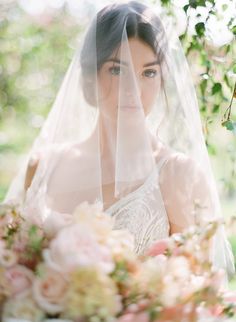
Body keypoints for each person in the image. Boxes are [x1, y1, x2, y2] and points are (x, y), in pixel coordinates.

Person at [4, 1, 235, 276]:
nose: (132, 90)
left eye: (148, 72)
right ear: (91, 75)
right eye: (117, 69)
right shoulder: (43, 166)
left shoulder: (178, 174)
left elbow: (197, 294)